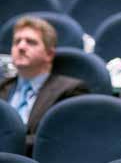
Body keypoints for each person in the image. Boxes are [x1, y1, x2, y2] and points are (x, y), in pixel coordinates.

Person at [0, 16, 88, 154]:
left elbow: (57, 137)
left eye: (31, 42)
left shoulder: (71, 90)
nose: (21, 47)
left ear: (49, 54)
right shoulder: (2, 87)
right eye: (17, 42)